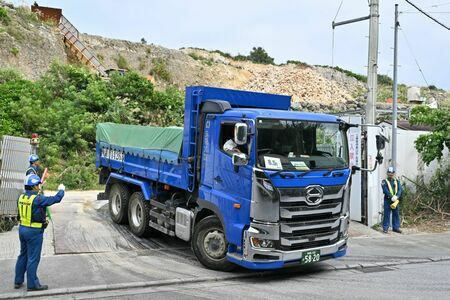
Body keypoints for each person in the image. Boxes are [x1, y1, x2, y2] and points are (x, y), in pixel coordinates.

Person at [14, 174, 65, 291]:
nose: (39, 187)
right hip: (34, 232)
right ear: (33, 186)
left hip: (22, 230)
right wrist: (61, 190)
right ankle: (32, 285)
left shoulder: (21, 197)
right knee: (33, 258)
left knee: (23, 255)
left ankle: (18, 281)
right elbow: (55, 199)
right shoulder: (38, 199)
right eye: (38, 184)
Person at [381, 166, 403, 234]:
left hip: (395, 200)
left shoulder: (396, 181)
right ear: (387, 173)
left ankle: (396, 227)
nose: (390, 174)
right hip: (387, 200)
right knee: (387, 214)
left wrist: (397, 196)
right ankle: (385, 228)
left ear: (393, 173)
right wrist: (391, 197)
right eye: (389, 172)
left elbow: (400, 189)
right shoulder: (384, 181)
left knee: (396, 214)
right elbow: (385, 190)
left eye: (392, 173)